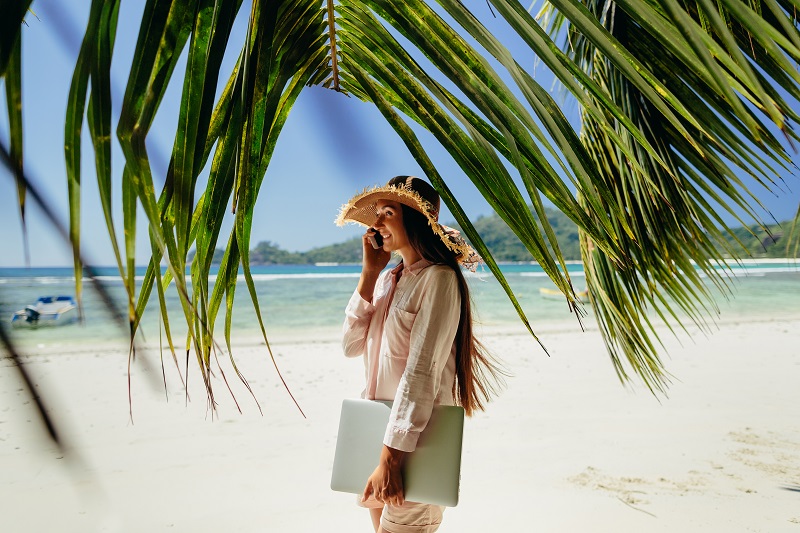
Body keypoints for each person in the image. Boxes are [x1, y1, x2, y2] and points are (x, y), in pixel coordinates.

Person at [336, 175, 505, 533]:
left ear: (417, 218)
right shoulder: (386, 281)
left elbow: (421, 373)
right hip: (375, 435)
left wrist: (391, 457)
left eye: (388, 212)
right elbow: (351, 346)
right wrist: (369, 274)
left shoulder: (438, 279)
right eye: (376, 215)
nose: (376, 223)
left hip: (411, 445)